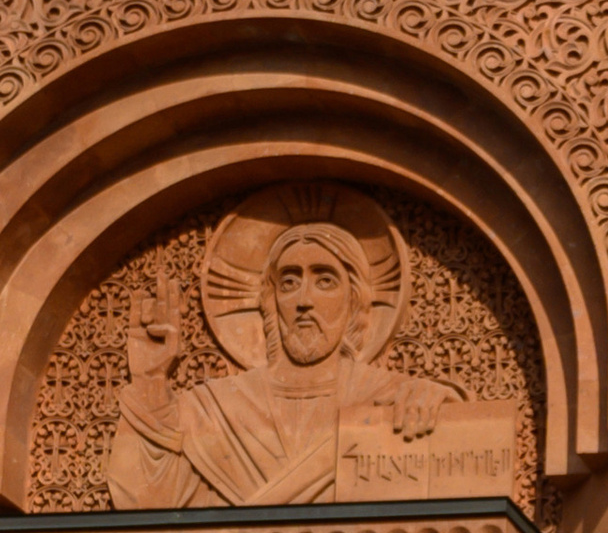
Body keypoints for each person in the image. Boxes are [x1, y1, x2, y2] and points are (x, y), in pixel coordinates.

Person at [107, 186, 454, 510]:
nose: (304, 300)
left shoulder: (391, 396)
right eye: (289, 282)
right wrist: (150, 380)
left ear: (354, 299)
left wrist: (441, 402)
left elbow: (459, 463)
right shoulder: (214, 408)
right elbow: (142, 502)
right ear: (270, 300)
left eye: (325, 281)